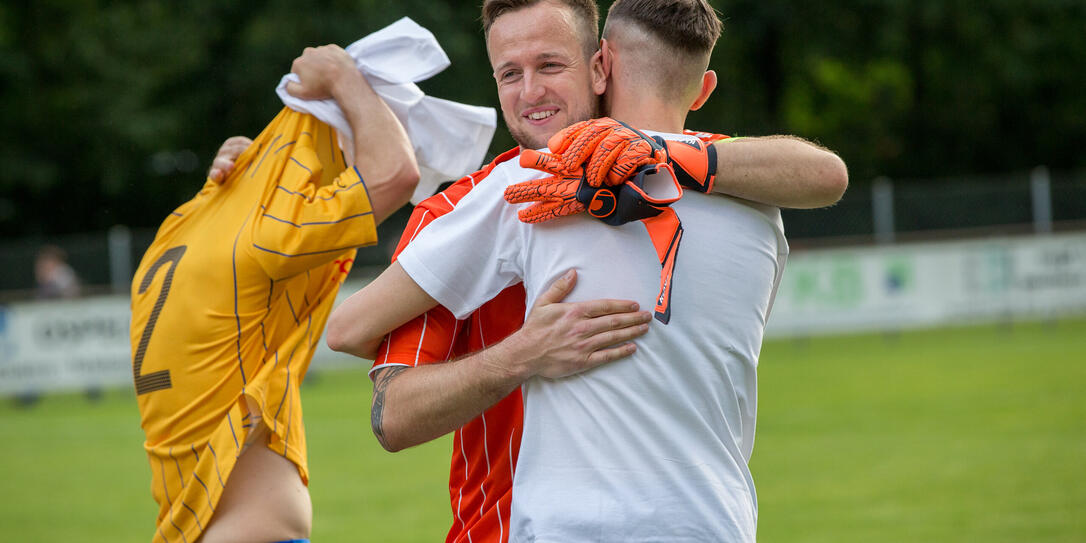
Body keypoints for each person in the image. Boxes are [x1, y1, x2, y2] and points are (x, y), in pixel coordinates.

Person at [322, 1, 846, 542]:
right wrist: (523, 353)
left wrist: (656, 152)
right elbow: (388, 405)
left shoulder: (725, 174)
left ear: (601, 66)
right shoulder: (479, 201)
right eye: (509, 73)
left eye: (550, 66)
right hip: (540, 526)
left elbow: (825, 174)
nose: (530, 92)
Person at [129, 46, 419, 543]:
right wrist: (341, 78)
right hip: (256, 527)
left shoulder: (186, 223)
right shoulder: (270, 234)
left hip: (190, 521)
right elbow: (395, 173)